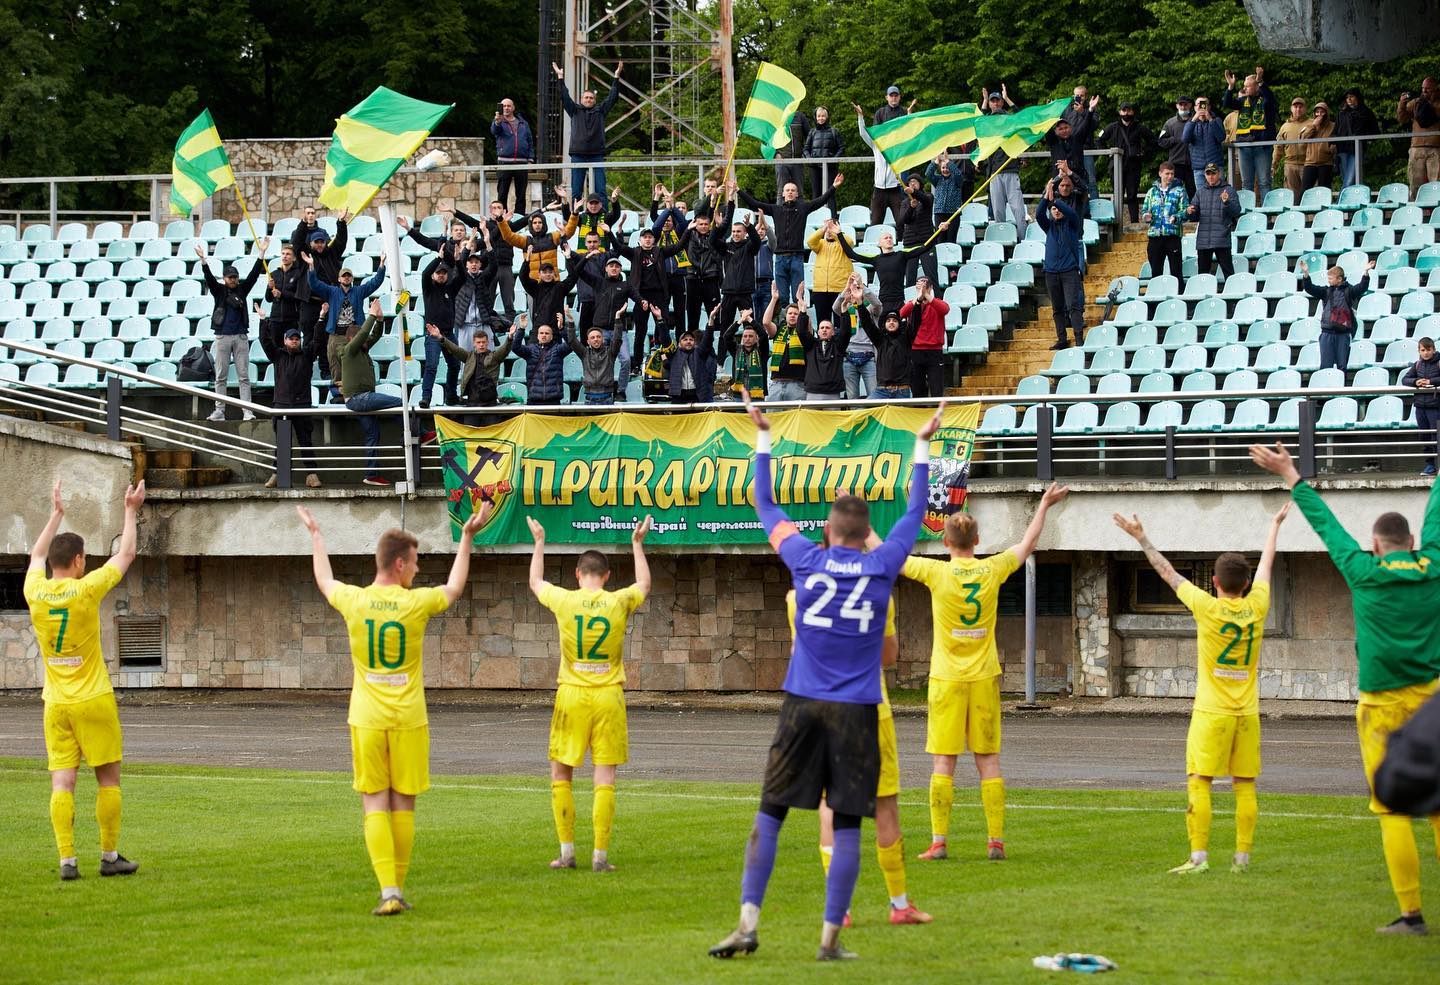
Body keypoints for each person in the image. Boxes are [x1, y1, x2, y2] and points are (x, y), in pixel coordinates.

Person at [707, 393, 942, 962]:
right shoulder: (883, 566)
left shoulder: (804, 560)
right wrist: (920, 445)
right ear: (865, 535)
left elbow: (763, 500)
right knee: (852, 825)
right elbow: (915, 513)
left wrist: (763, 435)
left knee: (770, 812)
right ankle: (829, 940)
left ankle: (746, 922)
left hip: (802, 704)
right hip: (859, 709)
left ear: (829, 531)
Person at [1248, 440, 1440, 935]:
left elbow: (1327, 527)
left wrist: (1292, 475)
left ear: (1376, 545)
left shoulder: (1363, 571)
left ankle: (1412, 915)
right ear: (1413, 541)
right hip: (1433, 703)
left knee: (1392, 807)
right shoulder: (1433, 567)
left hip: (1381, 704)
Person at [297, 500, 489, 914]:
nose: (419, 569)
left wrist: (316, 537)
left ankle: (387, 892)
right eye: (416, 562)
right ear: (400, 565)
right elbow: (454, 589)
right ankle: (397, 890)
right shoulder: (415, 603)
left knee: (373, 803)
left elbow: (325, 580)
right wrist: (468, 538)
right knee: (403, 803)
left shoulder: (355, 601)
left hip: (366, 718)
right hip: (408, 719)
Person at [1113, 504, 1288, 875]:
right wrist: (1274, 527)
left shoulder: (1206, 607)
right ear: (1246, 582)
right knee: (1245, 785)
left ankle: (1199, 858)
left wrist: (1141, 537)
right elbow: (1269, 567)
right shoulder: (1257, 606)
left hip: (1212, 712)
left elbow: (1167, 572)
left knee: (1200, 781)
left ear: (1216, 582)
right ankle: (1241, 859)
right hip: (1248, 713)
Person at [906, 483, 1068, 863]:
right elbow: (1027, 544)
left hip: (946, 679)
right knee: (988, 760)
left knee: (944, 762)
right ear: (977, 540)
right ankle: (995, 841)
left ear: (944, 543)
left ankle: (939, 841)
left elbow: (887, 553)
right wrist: (1043, 505)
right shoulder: (991, 569)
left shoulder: (933, 572)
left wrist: (855, 512)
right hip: (983, 677)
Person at [25, 478, 146, 882]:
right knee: (107, 778)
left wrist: (56, 513)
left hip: (55, 704)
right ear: (78, 561)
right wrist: (130, 509)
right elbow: (126, 553)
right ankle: (109, 856)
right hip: (93, 697)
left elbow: (35, 553)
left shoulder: (35, 591)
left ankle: (66, 861)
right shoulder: (86, 591)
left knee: (62, 780)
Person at [806, 535, 929, 926]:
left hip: (825, 710)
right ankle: (899, 904)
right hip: (869, 709)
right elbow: (889, 657)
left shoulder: (804, 593)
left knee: (830, 804)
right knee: (886, 803)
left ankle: (838, 910)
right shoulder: (877, 593)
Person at [528, 514, 651, 872]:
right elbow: (644, 583)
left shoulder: (565, 600)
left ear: (578, 574)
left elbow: (536, 581)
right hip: (609, 695)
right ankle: (600, 856)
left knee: (560, 773)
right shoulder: (618, 602)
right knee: (605, 777)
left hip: (572, 695)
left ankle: (567, 853)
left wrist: (539, 542)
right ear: (607, 576)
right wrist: (637, 544)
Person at [737, 173, 843, 304]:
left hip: (796, 257)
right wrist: (738, 190)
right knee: (782, 297)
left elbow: (821, 200)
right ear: (783, 193)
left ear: (797, 194)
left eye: (793, 190)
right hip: (780, 258)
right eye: (787, 190)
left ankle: (799, 322)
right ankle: (783, 323)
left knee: (798, 295)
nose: (790, 192)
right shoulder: (775, 209)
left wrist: (833, 186)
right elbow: (754, 204)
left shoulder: (803, 208)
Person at [196, 238, 268, 423]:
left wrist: (261, 254)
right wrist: (203, 261)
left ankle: (247, 410)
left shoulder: (242, 290)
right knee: (221, 376)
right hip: (222, 336)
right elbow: (209, 279)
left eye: (235, 277)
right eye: (230, 277)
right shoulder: (219, 291)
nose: (233, 280)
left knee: (244, 375)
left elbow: (253, 275)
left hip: (240, 336)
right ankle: (219, 410)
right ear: (225, 278)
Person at [306, 256, 387, 404]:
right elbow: (314, 284)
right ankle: (340, 396)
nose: (346, 278)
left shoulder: (359, 291)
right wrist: (311, 267)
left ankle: (358, 392)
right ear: (339, 279)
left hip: (354, 336)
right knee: (336, 367)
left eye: (349, 276)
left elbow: (375, 282)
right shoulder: (331, 291)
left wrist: (381, 265)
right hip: (336, 335)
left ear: (352, 279)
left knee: (356, 364)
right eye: (344, 276)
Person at [338, 298, 402, 486]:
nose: (366, 341)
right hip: (358, 399)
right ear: (353, 339)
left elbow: (373, 335)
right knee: (399, 403)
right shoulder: (349, 350)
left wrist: (380, 320)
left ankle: (372, 474)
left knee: (373, 434)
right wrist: (372, 315)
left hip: (361, 398)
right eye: (361, 339)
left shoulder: (363, 351)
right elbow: (365, 332)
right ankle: (417, 433)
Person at [258, 318, 325, 488]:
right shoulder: (278, 355)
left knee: (306, 441)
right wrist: (263, 321)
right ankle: (279, 475)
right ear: (285, 340)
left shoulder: (307, 355)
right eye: (291, 338)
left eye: (297, 338)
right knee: (282, 442)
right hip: (281, 405)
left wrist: (321, 319)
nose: (294, 341)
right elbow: (265, 341)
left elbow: (317, 341)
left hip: (302, 404)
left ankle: (311, 475)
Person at [553, 60, 624, 199]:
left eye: (591, 98)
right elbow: (564, 97)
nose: (588, 99)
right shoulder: (574, 110)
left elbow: (612, 98)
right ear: (581, 99)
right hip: (578, 155)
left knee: (600, 190)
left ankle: (602, 219)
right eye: (586, 97)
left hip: (596, 154)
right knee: (576, 192)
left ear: (595, 100)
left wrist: (616, 77)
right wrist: (560, 77)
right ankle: (575, 219)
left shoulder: (601, 111)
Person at [426, 321, 516, 422]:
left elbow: (505, 349)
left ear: (488, 343)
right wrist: (440, 337)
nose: (481, 345)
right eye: (478, 342)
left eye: (483, 342)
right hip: (471, 404)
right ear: (474, 343)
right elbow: (454, 349)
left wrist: (510, 337)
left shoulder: (494, 357)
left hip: (490, 405)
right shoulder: (469, 357)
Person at [837, 227, 938, 314]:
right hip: (883, 301)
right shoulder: (876, 259)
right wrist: (839, 234)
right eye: (886, 238)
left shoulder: (901, 255)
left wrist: (939, 230)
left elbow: (924, 248)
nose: (889, 239)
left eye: (890, 237)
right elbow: (852, 254)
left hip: (899, 300)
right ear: (879, 243)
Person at [1299, 256, 1373, 371]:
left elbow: (1362, 287)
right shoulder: (1326, 292)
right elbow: (1310, 288)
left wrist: (1366, 272)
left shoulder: (1349, 291)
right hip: (1326, 333)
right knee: (1325, 366)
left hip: (1343, 334)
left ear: (1339, 279)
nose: (1328, 281)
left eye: (1331, 278)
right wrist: (1306, 274)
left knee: (1342, 366)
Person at [1037, 177, 1086, 350]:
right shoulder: (1048, 226)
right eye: (1053, 209)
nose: (1056, 211)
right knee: (1057, 308)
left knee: (1073, 306)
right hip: (1051, 272)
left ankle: (1079, 338)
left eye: (1058, 209)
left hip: (1069, 271)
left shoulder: (1072, 223)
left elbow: (1071, 212)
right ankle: (1062, 338)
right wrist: (1046, 198)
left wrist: (1055, 199)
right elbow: (1038, 214)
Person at [1221, 66, 1278, 200]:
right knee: (1246, 183)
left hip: (1262, 147)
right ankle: (1247, 215)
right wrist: (1230, 87)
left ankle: (1266, 215)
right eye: (1244, 86)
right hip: (1244, 147)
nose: (1245, 88)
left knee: (1264, 182)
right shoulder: (1242, 101)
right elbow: (1226, 103)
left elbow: (1270, 97)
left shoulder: (1265, 100)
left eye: (1248, 86)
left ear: (1257, 87)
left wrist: (1260, 81)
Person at [418, 253, 466, 408]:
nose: (441, 275)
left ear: (447, 275)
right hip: (433, 334)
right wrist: (439, 258)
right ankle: (426, 397)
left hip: (448, 334)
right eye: (438, 273)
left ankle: (451, 396)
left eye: (443, 273)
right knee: (431, 365)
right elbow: (425, 273)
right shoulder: (428, 288)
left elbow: (463, 278)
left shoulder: (450, 289)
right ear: (434, 275)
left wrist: (458, 261)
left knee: (454, 365)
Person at [858, 87, 910, 225]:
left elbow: (908, 134)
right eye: (891, 96)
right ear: (887, 97)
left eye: (896, 96)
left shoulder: (900, 147)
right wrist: (860, 117)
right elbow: (864, 134)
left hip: (895, 189)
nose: (893, 98)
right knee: (875, 222)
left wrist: (910, 117)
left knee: (901, 223)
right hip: (879, 189)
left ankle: (901, 244)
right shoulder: (877, 145)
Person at [1099, 102, 1155, 223]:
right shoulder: (1112, 127)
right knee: (1117, 194)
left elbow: (1152, 140)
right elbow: (1099, 140)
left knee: (1132, 195)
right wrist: (1108, 153)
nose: (1126, 113)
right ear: (1120, 112)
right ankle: (1116, 222)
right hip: (1116, 165)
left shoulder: (1140, 127)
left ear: (1132, 112)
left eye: (1128, 110)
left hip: (1133, 165)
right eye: (1124, 111)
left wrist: (1143, 154)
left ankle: (1134, 222)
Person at [519, 247, 586, 343]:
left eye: (550, 272)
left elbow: (573, 276)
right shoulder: (535, 288)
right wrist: (527, 260)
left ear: (554, 274)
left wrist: (568, 258)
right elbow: (523, 277)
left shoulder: (560, 287)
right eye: (544, 272)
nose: (548, 274)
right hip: (538, 331)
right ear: (539, 274)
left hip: (555, 331)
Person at [983, 88, 1027, 231]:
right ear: (990, 104)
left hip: (1010, 169)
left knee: (1018, 209)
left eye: (998, 100)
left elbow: (1021, 117)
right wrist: (983, 101)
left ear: (1002, 103)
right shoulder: (987, 123)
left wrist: (1007, 98)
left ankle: (1024, 240)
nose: (995, 104)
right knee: (997, 212)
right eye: (992, 101)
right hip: (994, 172)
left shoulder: (1009, 119)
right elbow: (978, 124)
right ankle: (1000, 242)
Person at [1187, 164, 1241, 279]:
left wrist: (1227, 202)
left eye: (1213, 173)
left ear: (1219, 174)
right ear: (1205, 175)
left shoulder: (1229, 190)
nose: (1211, 176)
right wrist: (1190, 212)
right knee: (1202, 276)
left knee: (1228, 273)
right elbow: (1193, 215)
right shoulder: (1200, 192)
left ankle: (1231, 295)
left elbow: (1236, 212)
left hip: (1221, 239)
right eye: (1208, 174)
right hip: (1203, 240)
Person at [898, 276, 948, 396]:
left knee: (937, 388)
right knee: (917, 388)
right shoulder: (913, 303)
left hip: (934, 351)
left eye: (925, 286)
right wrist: (918, 299)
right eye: (919, 286)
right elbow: (902, 313)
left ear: (930, 287)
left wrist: (927, 295)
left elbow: (945, 309)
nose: (922, 289)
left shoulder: (937, 302)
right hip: (916, 350)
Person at [857, 300, 918, 399]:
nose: (891, 323)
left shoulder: (906, 339)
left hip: (902, 391)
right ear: (884, 324)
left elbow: (916, 324)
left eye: (894, 320)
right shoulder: (880, 340)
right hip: (881, 392)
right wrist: (860, 304)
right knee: (864, 411)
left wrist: (918, 303)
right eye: (888, 321)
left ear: (899, 324)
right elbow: (867, 323)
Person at [831, 275, 879, 399]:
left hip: (869, 357)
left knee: (874, 395)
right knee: (852, 397)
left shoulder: (869, 308)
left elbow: (877, 305)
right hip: (849, 357)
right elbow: (835, 307)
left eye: (857, 290)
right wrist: (846, 288)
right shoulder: (846, 308)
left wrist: (863, 286)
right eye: (852, 290)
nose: (854, 292)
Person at [762, 281, 809, 402]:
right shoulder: (779, 329)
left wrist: (799, 299)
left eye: (796, 314)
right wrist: (774, 299)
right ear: (786, 315)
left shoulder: (803, 332)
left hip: (797, 384)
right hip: (776, 383)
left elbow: (807, 321)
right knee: (773, 419)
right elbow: (766, 322)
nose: (792, 316)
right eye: (790, 313)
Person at [896, 174, 947, 285]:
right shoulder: (905, 202)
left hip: (926, 242)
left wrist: (914, 193)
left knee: (931, 275)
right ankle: (911, 301)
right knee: (910, 277)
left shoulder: (928, 196)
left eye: (915, 182)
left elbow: (925, 200)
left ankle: (936, 300)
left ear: (920, 184)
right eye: (910, 182)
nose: (912, 184)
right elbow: (904, 220)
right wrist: (911, 207)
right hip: (910, 244)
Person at [1141, 162, 1189, 279]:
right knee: (1156, 272)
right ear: (1160, 173)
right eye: (1167, 173)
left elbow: (1185, 211)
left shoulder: (1180, 191)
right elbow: (1144, 210)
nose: (1170, 176)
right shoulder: (1151, 192)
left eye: (1172, 174)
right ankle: (1157, 295)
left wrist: (1177, 217)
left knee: (1176, 271)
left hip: (1172, 236)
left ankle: (1178, 295)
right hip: (1155, 236)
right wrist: (1146, 216)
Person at [807, 218, 855, 328]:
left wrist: (837, 233)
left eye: (832, 228)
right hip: (820, 290)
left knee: (841, 324)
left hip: (840, 290)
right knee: (822, 324)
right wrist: (823, 229)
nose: (829, 231)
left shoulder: (843, 244)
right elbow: (810, 241)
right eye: (828, 228)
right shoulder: (821, 244)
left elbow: (850, 243)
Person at [1402, 336, 1440, 476]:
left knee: (1437, 437)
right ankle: (1430, 465)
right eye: (1423, 350)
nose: (1426, 353)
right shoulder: (1417, 365)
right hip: (1420, 407)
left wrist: (1431, 381)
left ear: (1434, 350)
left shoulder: (1438, 363)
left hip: (1435, 407)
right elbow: (1405, 379)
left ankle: (1439, 465)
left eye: (1428, 350)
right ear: (1419, 351)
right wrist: (1417, 381)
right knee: (1424, 436)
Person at [485, 200, 527, 321]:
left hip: (505, 266)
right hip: (490, 267)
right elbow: (492, 236)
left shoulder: (510, 225)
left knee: (509, 302)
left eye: (499, 207)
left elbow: (524, 221)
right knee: (488, 301)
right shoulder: (486, 225)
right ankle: (488, 326)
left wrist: (543, 210)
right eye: (494, 208)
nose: (496, 210)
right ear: (490, 211)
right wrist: (501, 222)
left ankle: (511, 328)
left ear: (504, 211)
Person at [796, 308, 849, 402]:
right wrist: (803, 313)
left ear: (833, 332)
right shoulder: (811, 345)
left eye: (827, 328)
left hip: (833, 392)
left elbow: (846, 333)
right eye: (822, 328)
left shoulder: (838, 346)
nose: (824, 330)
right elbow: (801, 332)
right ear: (818, 332)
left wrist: (844, 312)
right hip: (813, 392)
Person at [491, 98, 534, 213]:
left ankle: (519, 219)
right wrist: (497, 122)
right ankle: (501, 220)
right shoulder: (499, 121)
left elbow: (529, 141)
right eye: (504, 106)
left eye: (509, 106)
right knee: (502, 194)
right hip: (504, 162)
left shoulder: (523, 123)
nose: (506, 108)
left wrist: (530, 159)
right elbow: (494, 131)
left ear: (513, 108)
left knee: (521, 195)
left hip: (521, 162)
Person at [1398, 79, 1440, 196]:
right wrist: (1402, 103)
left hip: (1436, 148)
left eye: (1428, 89)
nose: (1425, 91)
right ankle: (1416, 210)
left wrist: (1429, 104)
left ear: (1436, 89)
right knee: (1415, 183)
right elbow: (1402, 118)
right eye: (1423, 88)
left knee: (1436, 184)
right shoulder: (1417, 102)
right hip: (1417, 147)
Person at [265, 243, 310, 353]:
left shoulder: (299, 274)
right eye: (283, 254)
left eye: (288, 254)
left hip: (292, 319)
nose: (285, 256)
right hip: (275, 319)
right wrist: (269, 288)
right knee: (276, 351)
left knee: (293, 350)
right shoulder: (274, 274)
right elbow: (268, 298)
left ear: (294, 258)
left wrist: (282, 294)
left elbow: (299, 296)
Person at [512, 320, 569, 405]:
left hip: (553, 399)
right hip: (534, 399)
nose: (544, 335)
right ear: (538, 336)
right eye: (541, 333)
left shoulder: (558, 350)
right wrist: (521, 329)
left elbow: (571, 344)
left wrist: (561, 329)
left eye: (547, 333)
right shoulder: (530, 350)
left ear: (552, 336)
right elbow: (515, 347)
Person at [1334, 88, 1379, 189]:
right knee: (1349, 182)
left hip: (1357, 149)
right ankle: (1350, 203)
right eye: (1347, 97)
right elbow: (1336, 131)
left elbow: (1375, 132)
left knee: (1348, 182)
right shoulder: (1342, 113)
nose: (1349, 99)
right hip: (1342, 150)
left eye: (1351, 96)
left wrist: (1361, 136)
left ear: (1357, 97)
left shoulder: (1366, 112)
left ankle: (1338, 204)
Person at [570, 323, 627, 404]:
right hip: (589, 399)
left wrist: (618, 321)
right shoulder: (584, 353)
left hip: (607, 399)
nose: (596, 339)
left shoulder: (610, 353)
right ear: (588, 341)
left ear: (603, 339)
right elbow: (572, 341)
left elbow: (617, 340)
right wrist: (571, 323)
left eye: (598, 337)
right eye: (592, 338)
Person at [1181, 97, 1227, 193]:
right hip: (1199, 167)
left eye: (1204, 104)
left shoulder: (1216, 120)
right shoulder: (1191, 122)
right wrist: (1194, 119)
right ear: (1195, 108)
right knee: (1202, 195)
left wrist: (1210, 119)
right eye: (1199, 104)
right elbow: (1185, 139)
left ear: (1209, 107)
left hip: (1216, 165)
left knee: (1219, 193)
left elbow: (1221, 137)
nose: (1201, 107)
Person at [722, 308, 769, 400]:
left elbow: (763, 335)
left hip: (757, 395)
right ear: (742, 338)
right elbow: (727, 336)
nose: (747, 339)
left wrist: (749, 319)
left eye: (751, 336)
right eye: (745, 336)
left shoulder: (761, 351)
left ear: (756, 339)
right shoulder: (736, 350)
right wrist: (741, 320)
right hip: (739, 395)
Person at [1157, 95, 1197, 198]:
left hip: (1193, 164)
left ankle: (1193, 214)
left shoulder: (1197, 121)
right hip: (1175, 164)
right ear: (1177, 106)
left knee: (1193, 193)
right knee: (1174, 193)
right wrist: (1173, 139)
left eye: (1186, 105)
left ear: (1191, 105)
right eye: (1181, 104)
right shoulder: (1170, 123)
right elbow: (1161, 141)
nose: (1183, 107)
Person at [668, 322, 718, 403]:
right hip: (678, 396)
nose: (688, 341)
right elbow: (665, 340)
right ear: (680, 343)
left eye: (691, 339)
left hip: (696, 395)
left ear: (694, 342)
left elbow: (707, 340)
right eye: (685, 339)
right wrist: (660, 320)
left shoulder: (699, 353)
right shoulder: (674, 354)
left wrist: (711, 321)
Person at [802, 106, 845, 202]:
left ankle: (832, 217)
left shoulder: (834, 131)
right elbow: (805, 149)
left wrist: (833, 160)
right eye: (818, 116)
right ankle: (815, 217)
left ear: (827, 117)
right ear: (815, 117)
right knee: (816, 195)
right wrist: (810, 160)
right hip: (815, 167)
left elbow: (841, 147)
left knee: (831, 194)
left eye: (823, 116)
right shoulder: (812, 132)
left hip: (830, 167)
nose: (821, 118)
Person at [1063, 86, 1101, 191]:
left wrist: (1083, 112)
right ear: (1073, 96)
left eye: (1081, 95)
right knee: (1069, 178)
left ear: (1086, 96)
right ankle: (1073, 204)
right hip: (1070, 149)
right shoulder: (1067, 109)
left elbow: (1094, 125)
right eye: (1077, 95)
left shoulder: (1091, 108)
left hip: (1086, 149)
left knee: (1091, 181)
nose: (1079, 97)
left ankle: (1095, 205)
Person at [924, 154, 968, 244]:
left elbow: (958, 174)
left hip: (953, 213)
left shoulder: (957, 180)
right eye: (943, 167)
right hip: (939, 213)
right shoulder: (937, 179)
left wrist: (948, 162)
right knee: (940, 240)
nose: (945, 169)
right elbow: (928, 174)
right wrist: (936, 162)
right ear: (940, 169)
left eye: (947, 167)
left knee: (951, 239)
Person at [1274, 97, 1309, 197]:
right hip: (1290, 164)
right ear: (1291, 109)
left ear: (1305, 109)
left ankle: (1310, 214)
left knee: (1308, 193)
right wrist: (1274, 164)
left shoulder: (1312, 124)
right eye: (1295, 107)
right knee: (1291, 195)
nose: (1298, 109)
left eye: (1300, 107)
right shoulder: (1285, 126)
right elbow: (1278, 147)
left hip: (1308, 164)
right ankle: (1292, 213)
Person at [1301, 102, 1337, 191]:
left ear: (1326, 113)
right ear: (1314, 113)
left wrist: (1331, 149)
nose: (1319, 114)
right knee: (1304, 191)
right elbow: (1302, 139)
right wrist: (1314, 125)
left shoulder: (1333, 126)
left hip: (1326, 162)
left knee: (1324, 191)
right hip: (1310, 162)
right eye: (1317, 112)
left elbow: (1336, 141)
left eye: (1322, 112)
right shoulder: (1309, 125)